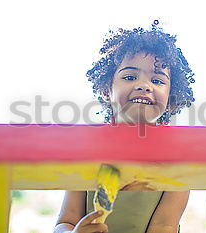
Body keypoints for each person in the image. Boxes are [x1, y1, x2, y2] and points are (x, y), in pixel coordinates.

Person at [54, 21, 195, 233]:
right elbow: (65, 221)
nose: (144, 86)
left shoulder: (178, 157)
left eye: (157, 81)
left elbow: (165, 225)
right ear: (106, 90)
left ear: (171, 94)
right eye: (130, 77)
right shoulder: (86, 150)